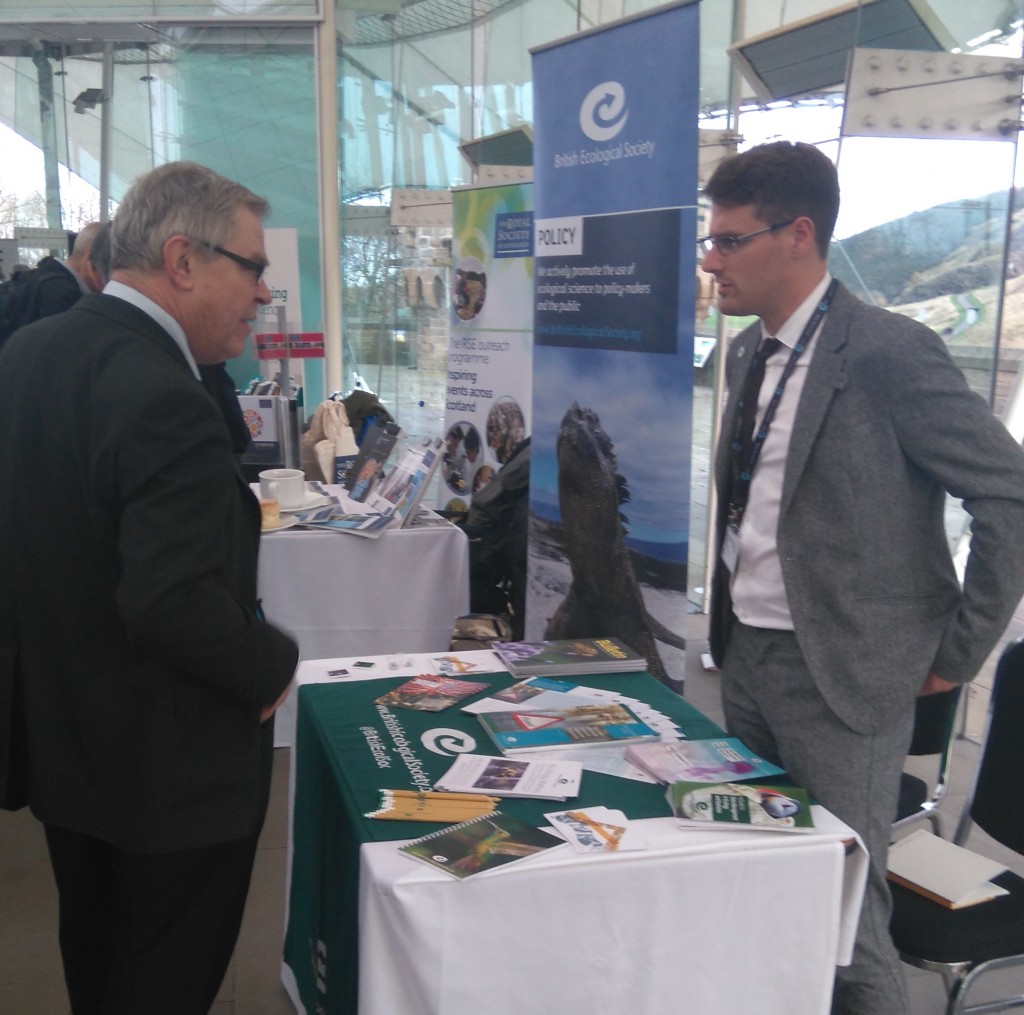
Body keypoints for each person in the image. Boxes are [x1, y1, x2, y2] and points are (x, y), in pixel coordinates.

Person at [703, 141, 1024, 1015]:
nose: (710, 257)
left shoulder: (888, 353)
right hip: (748, 661)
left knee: (848, 915)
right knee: (765, 887)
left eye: (730, 240)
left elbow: (1010, 496)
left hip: (844, 673)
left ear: (798, 235)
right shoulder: (747, 356)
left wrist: (956, 654)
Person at [0, 161, 298, 1015]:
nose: (261, 291)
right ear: (182, 258)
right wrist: (270, 662)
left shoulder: (30, 353)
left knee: (96, 961)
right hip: (166, 773)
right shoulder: (162, 393)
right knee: (159, 979)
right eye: (252, 266)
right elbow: (170, 600)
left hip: (68, 747)